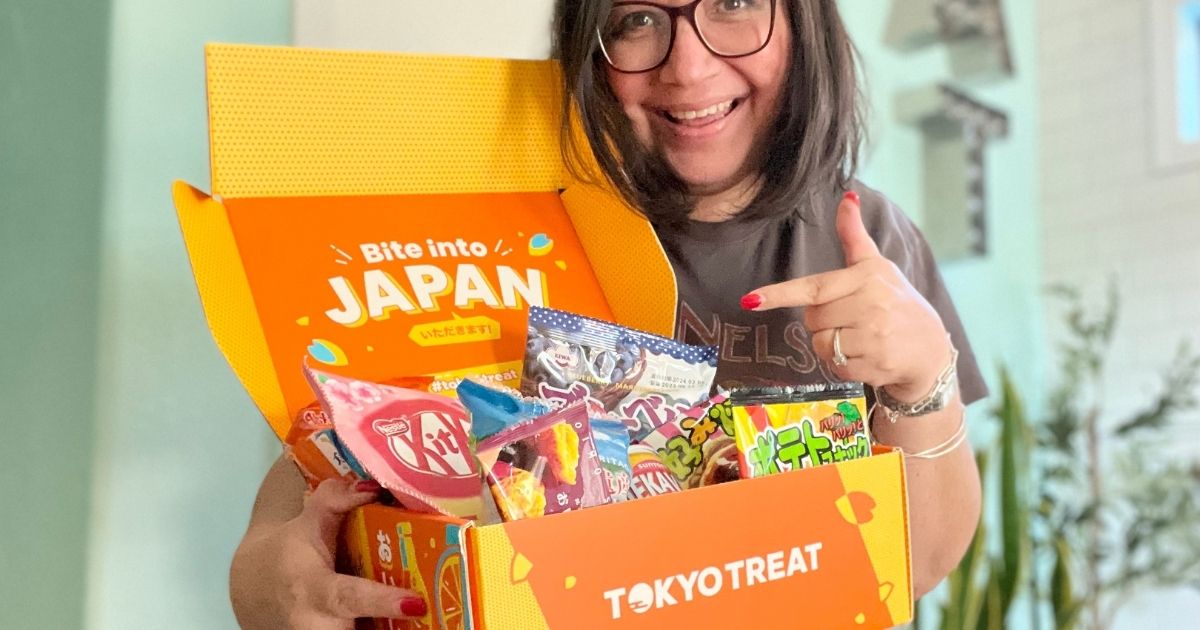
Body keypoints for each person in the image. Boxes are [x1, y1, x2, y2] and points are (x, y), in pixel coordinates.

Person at [229, 1, 985, 627]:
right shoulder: (514, 236)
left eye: (731, 4)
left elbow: (914, 564)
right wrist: (269, 580)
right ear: (590, 48)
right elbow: (319, 460)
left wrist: (925, 376)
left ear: (802, 24)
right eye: (636, 19)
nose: (687, 67)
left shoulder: (867, 240)